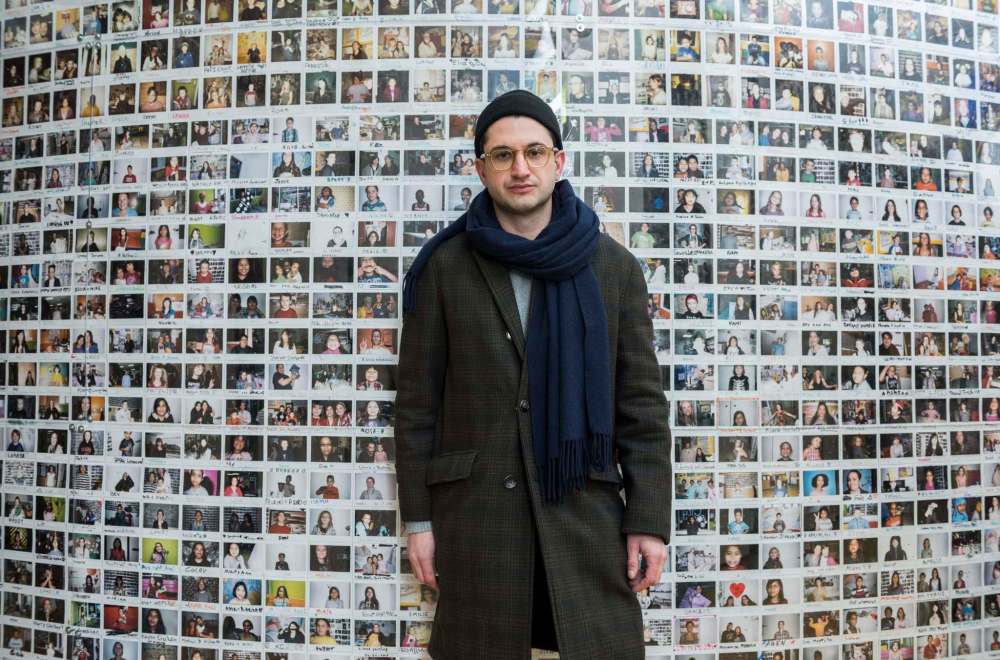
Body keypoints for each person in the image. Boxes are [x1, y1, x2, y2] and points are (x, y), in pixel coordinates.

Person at [396, 90, 672, 658]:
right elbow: (417, 407)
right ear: (481, 169)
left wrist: (649, 520)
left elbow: (642, 407)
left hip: (584, 514)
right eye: (502, 155)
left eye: (534, 152)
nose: (520, 168)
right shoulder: (444, 267)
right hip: (478, 522)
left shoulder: (614, 268)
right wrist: (418, 521)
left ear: (558, 161)